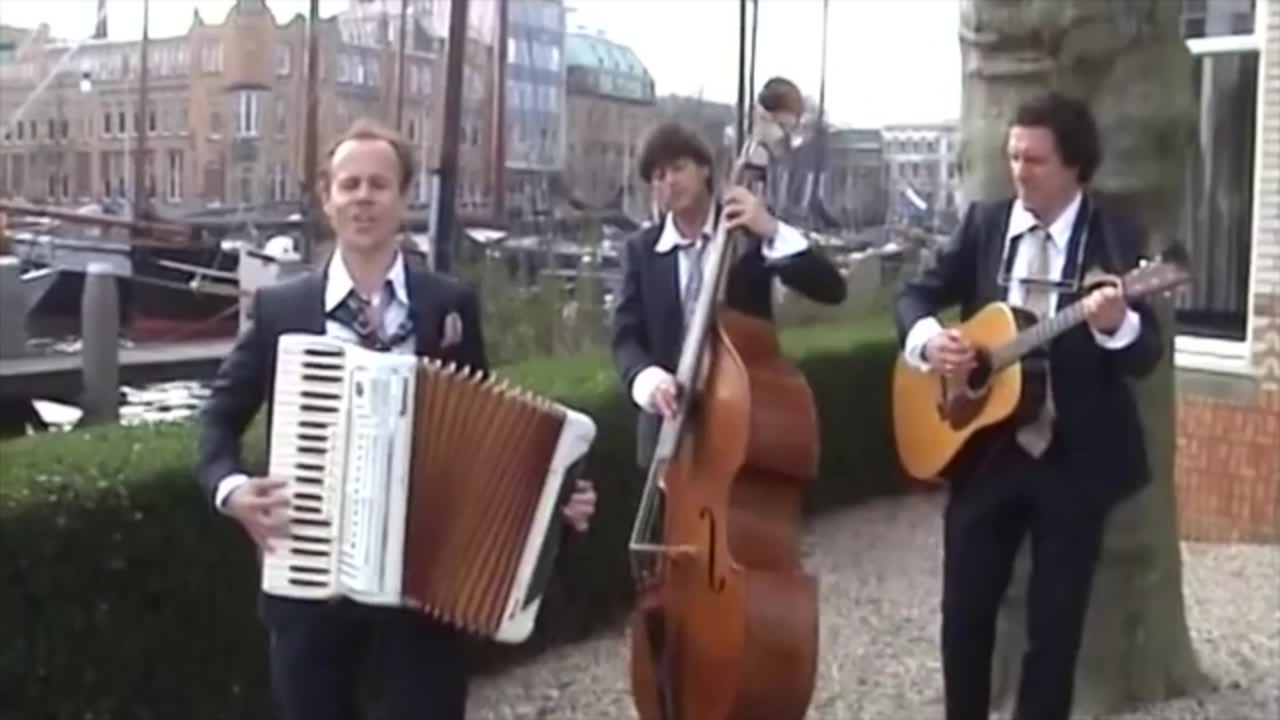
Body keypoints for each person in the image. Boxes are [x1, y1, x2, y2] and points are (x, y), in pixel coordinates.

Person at [195, 118, 597, 720]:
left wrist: (552, 498)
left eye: (378, 185)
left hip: (423, 587)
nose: (363, 198)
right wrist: (232, 491)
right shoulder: (282, 308)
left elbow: (484, 439)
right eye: (349, 184)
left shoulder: (449, 304)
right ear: (328, 199)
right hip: (310, 582)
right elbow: (217, 419)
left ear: (404, 199)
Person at [895, 92, 1163, 720]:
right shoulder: (985, 225)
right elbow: (914, 296)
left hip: (1074, 459)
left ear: (1076, 166)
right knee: (964, 616)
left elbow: (1146, 354)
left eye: (1035, 160)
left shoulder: (1115, 237)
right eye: (1014, 156)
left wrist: (1117, 323)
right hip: (984, 449)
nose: (1020, 170)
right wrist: (930, 342)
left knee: (1055, 631)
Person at [611, 119, 846, 468]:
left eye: (679, 168)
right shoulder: (641, 251)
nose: (670, 181)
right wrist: (649, 380)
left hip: (747, 424)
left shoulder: (747, 233)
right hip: (669, 436)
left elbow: (831, 289)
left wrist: (771, 230)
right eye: (659, 176)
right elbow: (625, 336)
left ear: (705, 169)